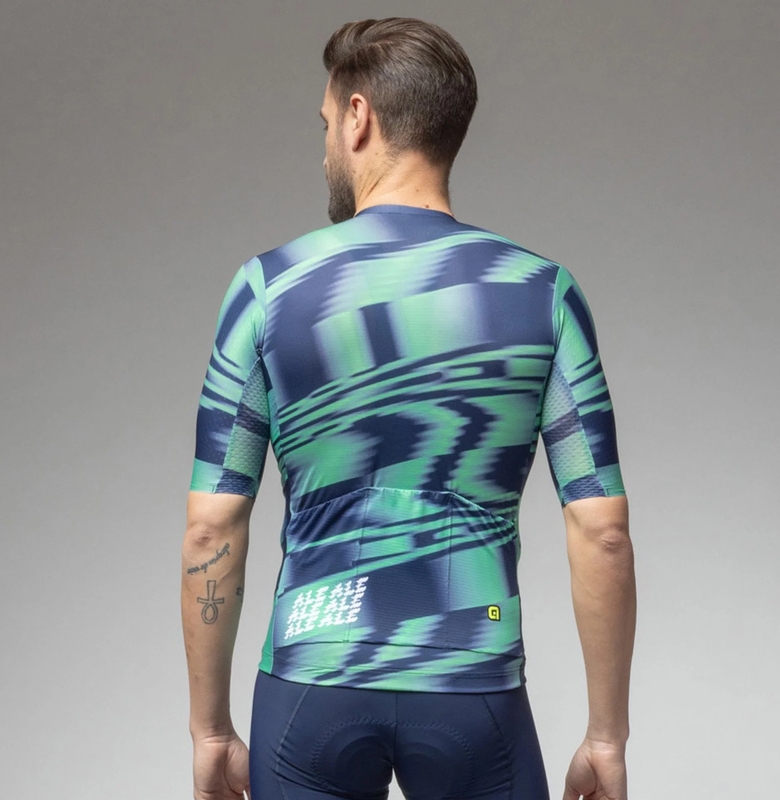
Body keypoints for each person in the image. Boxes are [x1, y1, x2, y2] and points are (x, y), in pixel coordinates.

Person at [181, 16, 636, 800]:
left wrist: (210, 730)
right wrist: (606, 737)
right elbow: (604, 530)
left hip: (312, 681)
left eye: (326, 123)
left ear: (359, 118)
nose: (325, 145)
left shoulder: (266, 291)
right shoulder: (543, 294)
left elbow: (210, 527)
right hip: (471, 681)